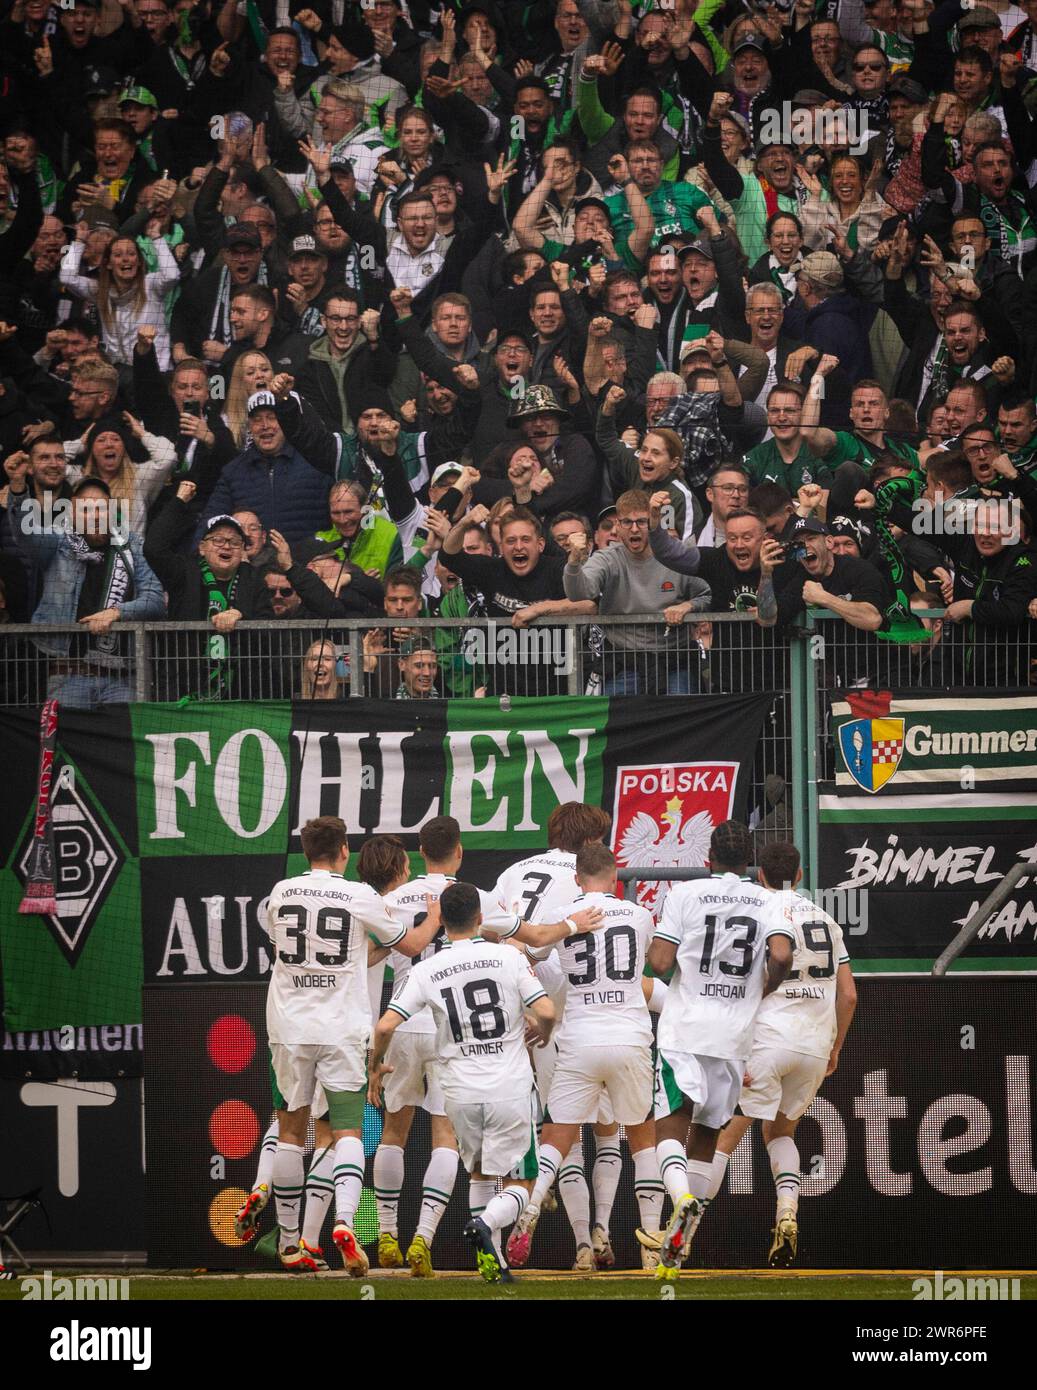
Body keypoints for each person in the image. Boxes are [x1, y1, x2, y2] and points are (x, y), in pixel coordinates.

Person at [263, 815, 444, 1273]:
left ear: (307, 852)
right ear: (345, 850)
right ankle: (345, 1222)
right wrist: (436, 916)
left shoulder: (281, 892)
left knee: (290, 1132)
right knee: (346, 1130)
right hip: (340, 1027)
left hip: (287, 1026)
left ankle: (289, 1243)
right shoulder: (358, 895)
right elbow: (412, 943)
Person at [370, 880, 557, 1285]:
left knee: (481, 1174)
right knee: (523, 1180)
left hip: (460, 1091)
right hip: (508, 1085)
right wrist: (544, 1028)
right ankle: (487, 1224)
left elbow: (385, 1025)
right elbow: (546, 1008)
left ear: (442, 924)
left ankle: (490, 1263)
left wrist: (374, 1065)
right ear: (480, 918)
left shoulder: (426, 969)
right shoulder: (506, 956)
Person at [640, 820, 794, 1279]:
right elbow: (783, 956)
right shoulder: (770, 901)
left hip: (686, 1030)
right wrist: (762, 989)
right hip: (733, 1037)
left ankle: (680, 1199)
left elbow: (661, 962)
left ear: (708, 860)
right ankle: (687, 1229)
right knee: (707, 1133)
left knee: (668, 1127)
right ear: (749, 864)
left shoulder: (685, 895)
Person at [506, 843, 662, 1273]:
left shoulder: (564, 920)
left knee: (558, 1138)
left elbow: (529, 956)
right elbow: (641, 972)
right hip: (630, 1036)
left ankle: (531, 1210)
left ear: (577, 878)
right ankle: (651, 1245)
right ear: (615, 877)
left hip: (578, 1038)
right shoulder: (641, 916)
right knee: (642, 1140)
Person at [711, 840, 856, 1269]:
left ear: (760, 876)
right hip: (814, 1042)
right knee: (780, 1134)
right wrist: (835, 1048)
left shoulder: (760, 912)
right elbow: (847, 995)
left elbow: (749, 974)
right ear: (800, 876)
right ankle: (787, 1213)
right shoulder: (828, 920)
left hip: (769, 1039)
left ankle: (683, 1230)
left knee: (724, 1137)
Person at [15, 476, 165, 709]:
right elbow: (26, 536)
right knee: (66, 743)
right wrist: (18, 488)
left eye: (102, 509)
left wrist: (116, 612)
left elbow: (155, 600)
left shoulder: (132, 545)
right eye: (86, 509)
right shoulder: (58, 542)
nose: (95, 516)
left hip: (123, 679)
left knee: (124, 744)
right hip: (69, 676)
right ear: (73, 511)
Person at [563, 487, 711, 694]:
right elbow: (579, 594)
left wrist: (689, 605)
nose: (634, 529)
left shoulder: (675, 558)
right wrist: (573, 562)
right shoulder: (607, 559)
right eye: (627, 522)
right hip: (624, 662)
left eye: (641, 522)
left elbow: (708, 594)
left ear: (653, 522)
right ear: (617, 526)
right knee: (616, 723)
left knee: (682, 719)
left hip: (675, 661)